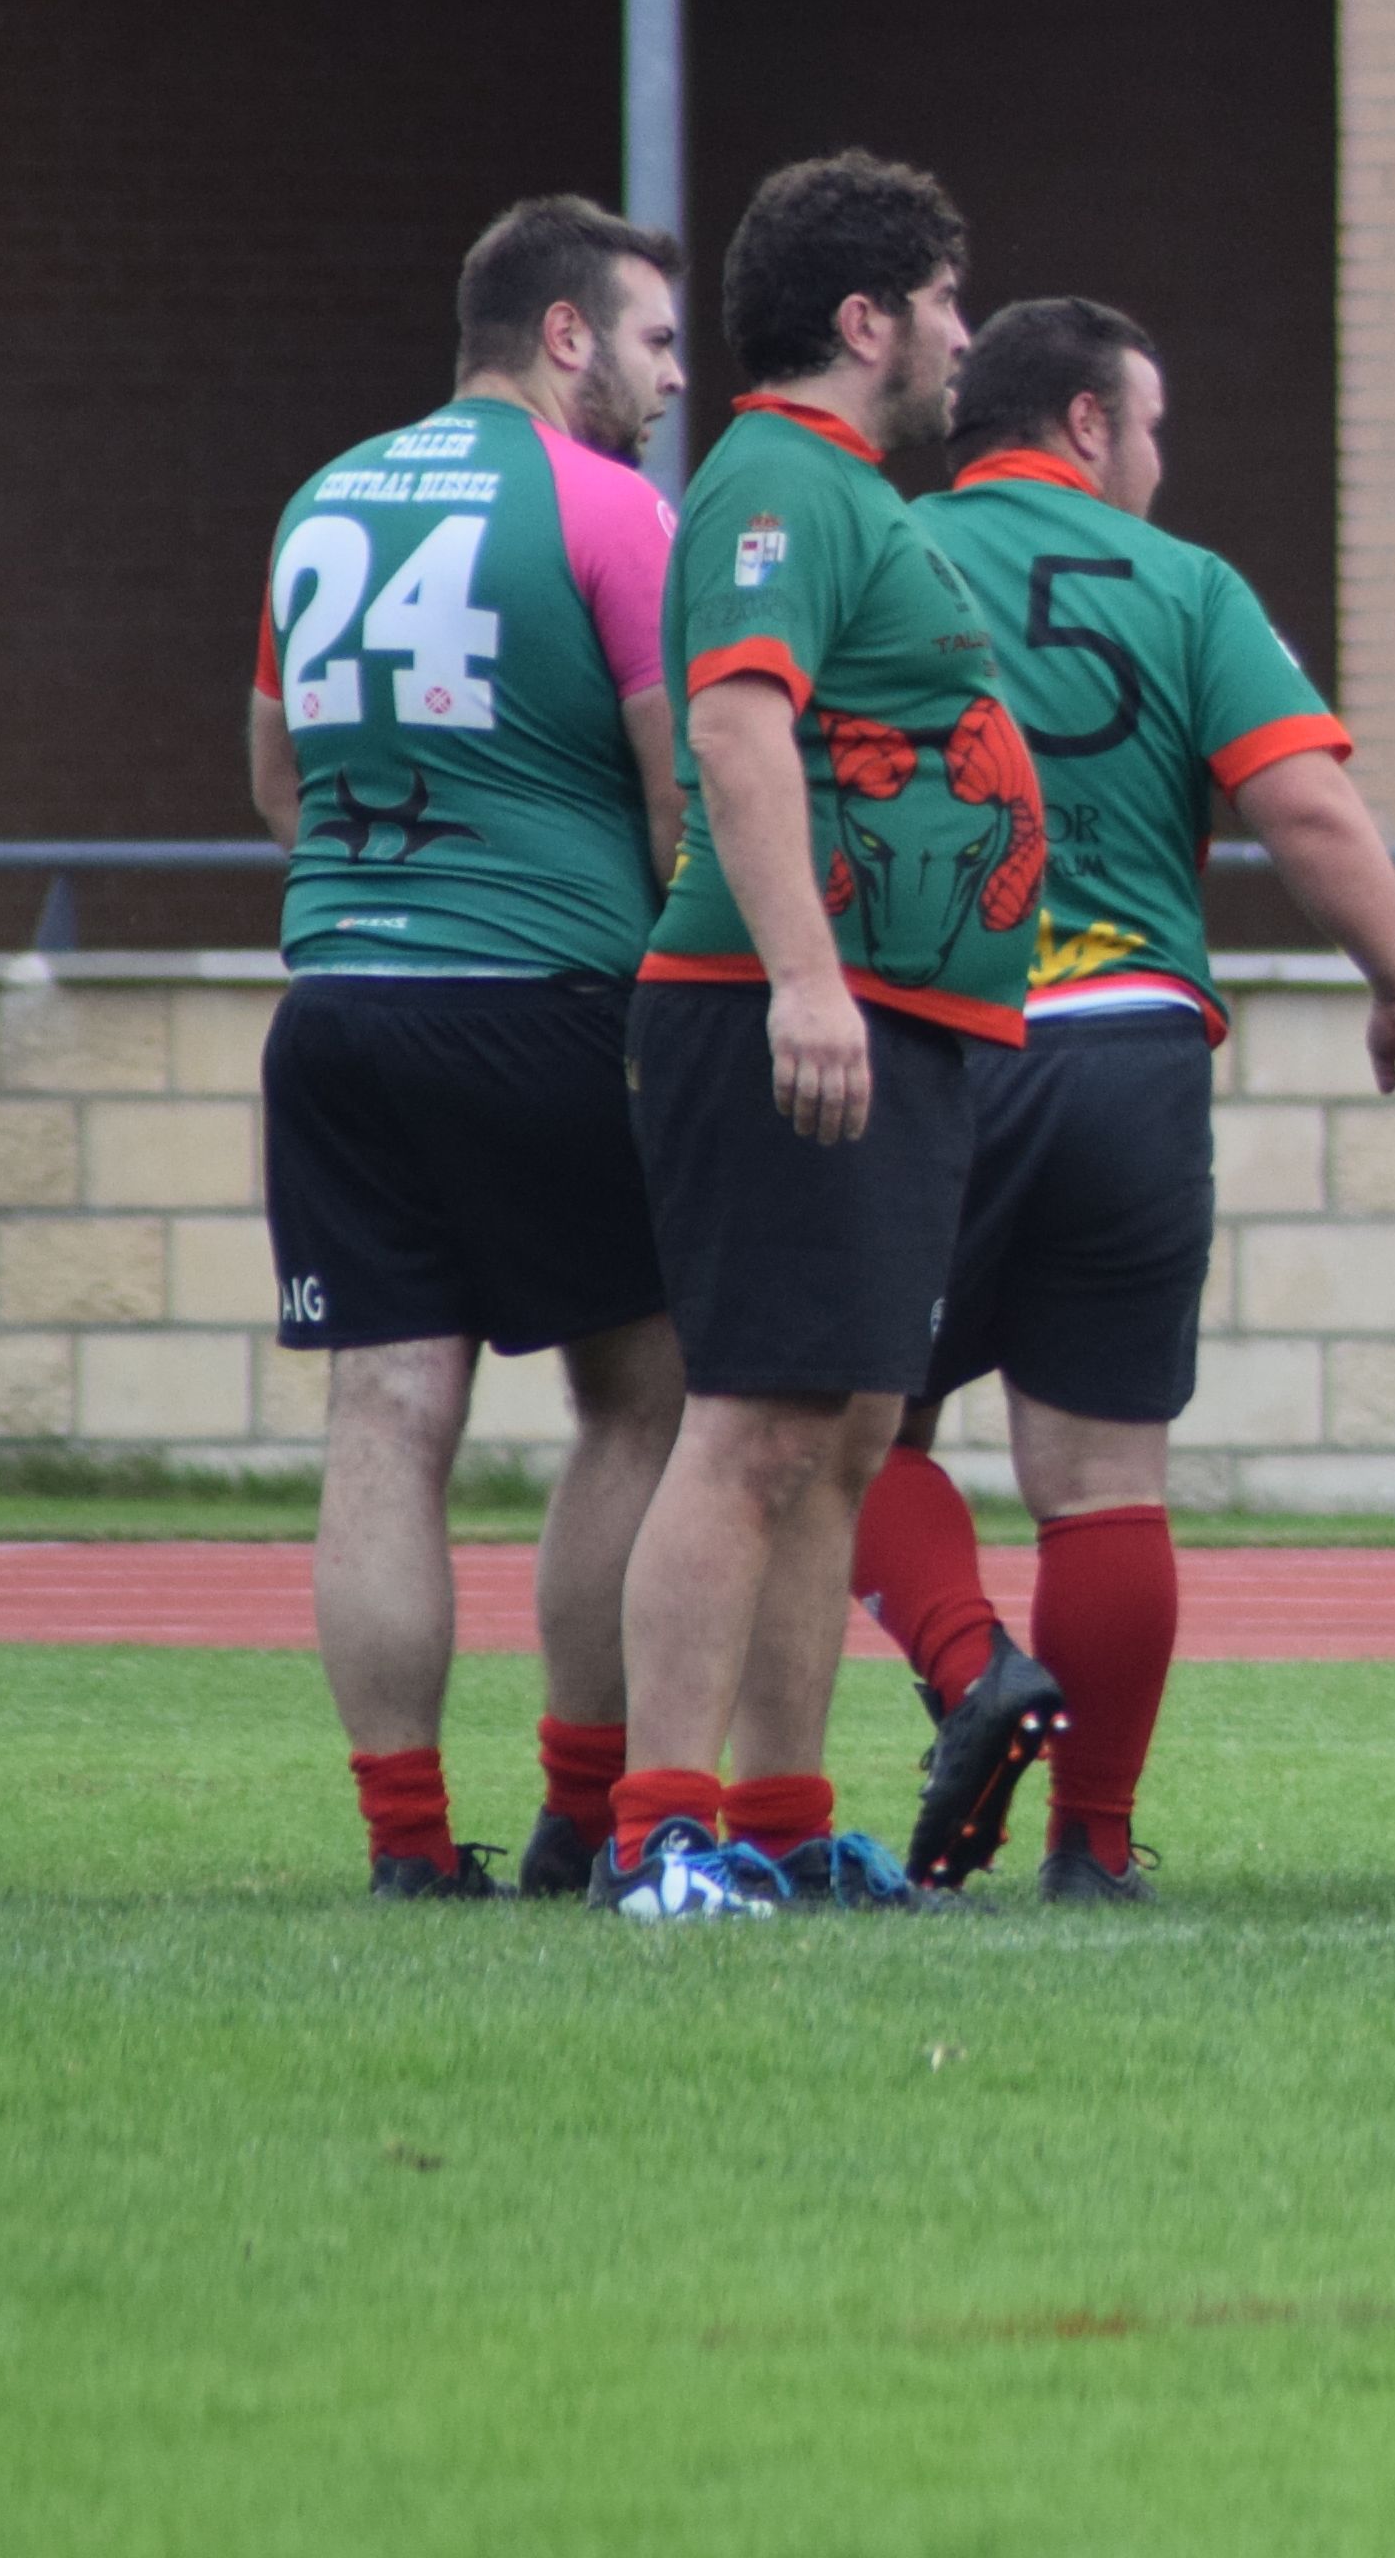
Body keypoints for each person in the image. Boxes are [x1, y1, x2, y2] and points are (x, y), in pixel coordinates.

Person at [843, 299, 1395, 1899]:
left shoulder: (874, 550)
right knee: (1107, 1484)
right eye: (1154, 426)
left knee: (846, 1424)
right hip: (1132, 1057)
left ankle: (973, 1667)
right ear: (1085, 425)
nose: (1159, 460)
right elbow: (1307, 810)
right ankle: (1095, 1851)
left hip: (936, 1043)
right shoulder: (1188, 587)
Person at [602, 153, 1048, 1921]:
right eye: (943, 301)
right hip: (781, 1021)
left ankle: (783, 1824)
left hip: (898, 1030)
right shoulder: (774, 484)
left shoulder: (849, 490)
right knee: (754, 1430)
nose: (961, 334)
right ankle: (660, 1839)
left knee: (850, 1436)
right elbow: (734, 730)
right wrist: (806, 980)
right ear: (865, 320)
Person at [243, 195, 701, 1899]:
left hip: (340, 1004)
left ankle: (407, 1847)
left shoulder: (320, 500)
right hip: (541, 1005)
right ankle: (587, 1809)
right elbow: (678, 799)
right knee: (642, 1398)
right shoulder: (612, 512)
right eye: (653, 340)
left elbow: (277, 785)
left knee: (385, 1420)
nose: (669, 380)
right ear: (564, 333)